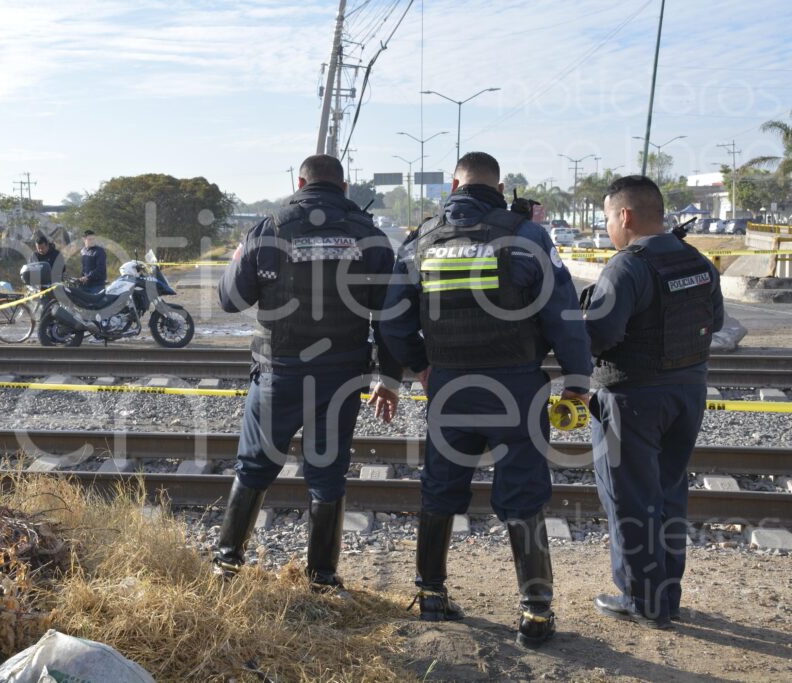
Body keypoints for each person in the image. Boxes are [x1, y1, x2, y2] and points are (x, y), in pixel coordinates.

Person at [380, 151, 592, 648]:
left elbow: (391, 320)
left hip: (449, 386)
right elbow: (562, 314)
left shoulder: (422, 239)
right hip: (516, 385)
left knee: (440, 486)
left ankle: (431, 594)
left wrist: (422, 366)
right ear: (499, 187)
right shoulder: (528, 237)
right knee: (523, 494)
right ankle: (536, 613)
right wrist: (577, 378)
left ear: (455, 183)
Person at [212, 154, 402, 592]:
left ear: (300, 182)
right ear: (345, 186)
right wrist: (388, 378)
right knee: (327, 473)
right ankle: (322, 578)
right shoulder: (368, 235)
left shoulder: (269, 229)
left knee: (255, 465)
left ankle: (227, 564)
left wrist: (243, 253)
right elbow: (390, 316)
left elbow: (229, 300)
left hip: (279, 372)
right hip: (341, 376)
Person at [584, 176, 724, 629]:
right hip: (688, 394)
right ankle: (667, 596)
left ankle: (642, 601)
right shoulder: (698, 261)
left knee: (630, 501)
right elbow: (716, 320)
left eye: (608, 218)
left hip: (632, 400)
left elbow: (600, 334)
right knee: (667, 496)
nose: (608, 228)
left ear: (625, 216)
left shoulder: (627, 267)